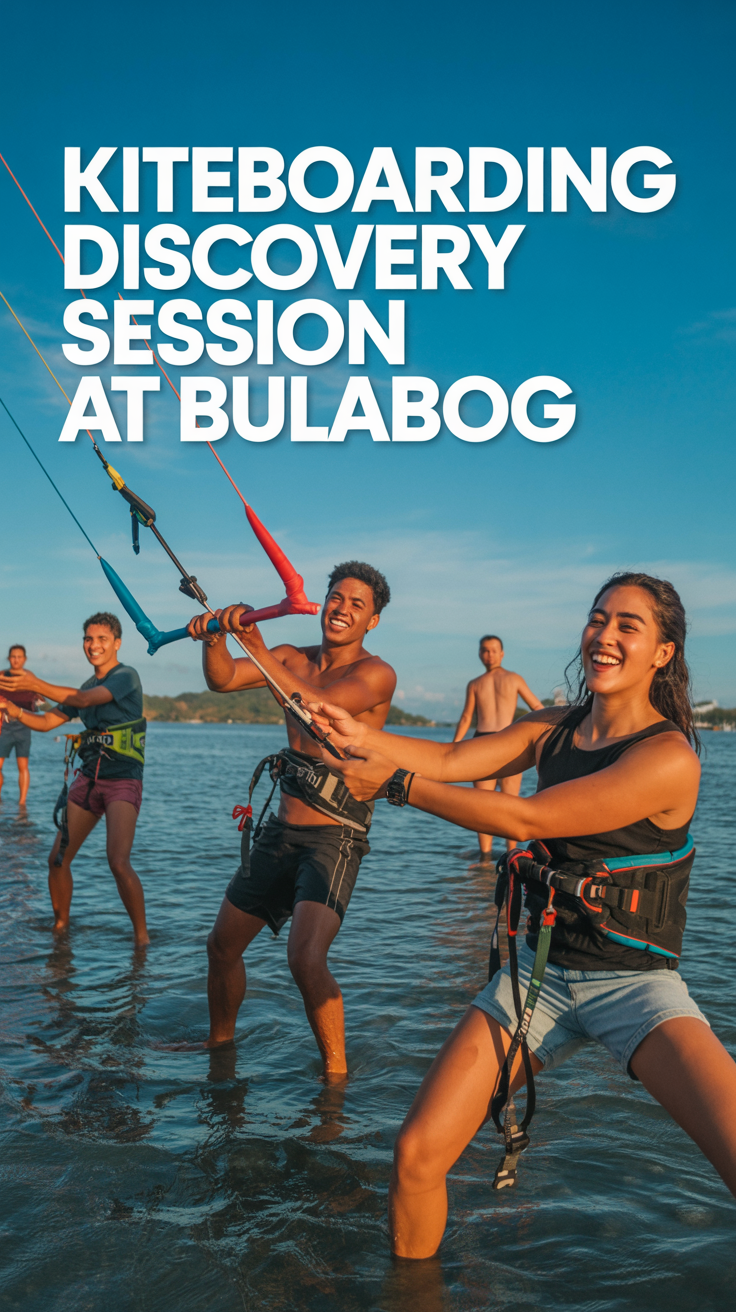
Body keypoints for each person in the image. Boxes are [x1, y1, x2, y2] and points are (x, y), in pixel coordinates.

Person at [309, 573, 736, 1254]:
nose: (606, 635)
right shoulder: (555, 726)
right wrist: (357, 734)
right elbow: (452, 757)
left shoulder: (669, 756)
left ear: (663, 652)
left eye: (629, 625)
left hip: (636, 986)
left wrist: (392, 784)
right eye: (599, 619)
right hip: (539, 976)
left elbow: (524, 814)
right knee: (417, 1155)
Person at [187, 562, 396, 1077]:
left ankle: (336, 1077)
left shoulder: (375, 673)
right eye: (336, 597)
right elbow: (223, 680)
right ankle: (220, 1048)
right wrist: (215, 634)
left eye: (356, 604)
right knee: (221, 945)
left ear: (372, 620)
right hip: (280, 831)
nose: (341, 609)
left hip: (335, 835)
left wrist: (254, 644)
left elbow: (317, 708)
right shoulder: (289, 658)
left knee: (305, 959)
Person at [0, 613, 149, 947]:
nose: (93, 645)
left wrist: (35, 684)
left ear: (117, 643)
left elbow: (82, 703)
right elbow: (46, 722)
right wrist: (13, 708)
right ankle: (60, 929)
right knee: (57, 860)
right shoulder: (85, 686)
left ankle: (142, 940)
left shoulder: (126, 676)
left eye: (101, 639)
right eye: (88, 639)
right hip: (88, 779)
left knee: (118, 862)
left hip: (122, 780)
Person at [453, 634, 543, 858]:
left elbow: (537, 707)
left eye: (493, 650)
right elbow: (466, 717)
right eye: (484, 650)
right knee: (484, 806)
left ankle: (509, 854)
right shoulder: (475, 684)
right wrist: (452, 748)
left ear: (502, 654)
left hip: (503, 742)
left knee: (508, 805)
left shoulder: (513, 679)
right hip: (493, 743)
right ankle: (487, 856)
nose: (489, 655)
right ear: (479, 654)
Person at [0, 644, 41, 806]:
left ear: (24, 659)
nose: (16, 660)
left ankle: (22, 803)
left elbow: (40, 703)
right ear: (9, 658)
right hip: (4, 726)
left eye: (19, 657)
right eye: (13, 657)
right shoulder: (2, 676)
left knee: (23, 765)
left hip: (24, 725)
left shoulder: (29, 678)